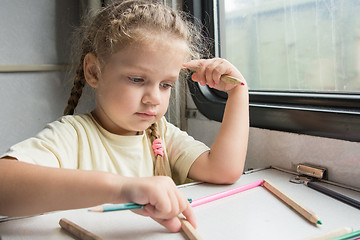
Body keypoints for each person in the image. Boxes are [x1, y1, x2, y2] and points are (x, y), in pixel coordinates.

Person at [0, 0, 249, 233]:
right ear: (94, 71)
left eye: (166, 85)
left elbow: (223, 170)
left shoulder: (161, 133)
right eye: (137, 79)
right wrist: (122, 189)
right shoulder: (73, 135)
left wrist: (238, 92)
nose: (154, 98)